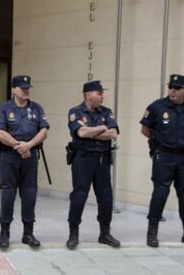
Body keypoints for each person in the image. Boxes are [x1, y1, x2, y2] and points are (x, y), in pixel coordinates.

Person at [0, 75, 49, 248]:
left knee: (30, 194)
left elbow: (44, 130)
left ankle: (28, 233)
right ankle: (5, 232)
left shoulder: (37, 108)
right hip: (10, 156)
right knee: (8, 194)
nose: (26, 90)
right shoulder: (4, 108)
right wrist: (19, 146)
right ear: (13, 90)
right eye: (22, 88)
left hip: (30, 156)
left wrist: (29, 145)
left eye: (28, 88)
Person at [66, 80, 120, 250]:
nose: (102, 96)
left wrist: (92, 132)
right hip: (83, 159)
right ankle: (73, 233)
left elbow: (113, 133)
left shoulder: (107, 112)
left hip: (102, 160)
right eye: (99, 93)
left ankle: (105, 233)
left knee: (106, 197)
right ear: (88, 95)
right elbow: (80, 132)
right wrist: (101, 128)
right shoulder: (75, 112)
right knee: (79, 196)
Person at [140, 74, 184, 247]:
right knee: (160, 192)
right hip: (164, 156)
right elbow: (145, 129)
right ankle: (152, 231)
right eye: (170, 87)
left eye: (177, 88)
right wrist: (159, 143)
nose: (172, 91)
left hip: (183, 158)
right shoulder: (157, 107)